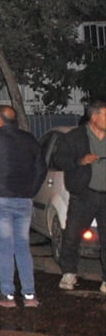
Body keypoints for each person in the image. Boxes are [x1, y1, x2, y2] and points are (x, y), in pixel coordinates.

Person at [0, 105, 46, 307]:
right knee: (22, 245)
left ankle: (8, 295)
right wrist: (31, 191)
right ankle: (30, 294)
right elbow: (41, 168)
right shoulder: (30, 140)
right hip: (23, 199)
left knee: (5, 246)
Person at [53, 99, 106, 294]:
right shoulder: (75, 137)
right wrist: (80, 160)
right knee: (72, 235)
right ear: (95, 117)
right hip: (84, 194)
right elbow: (58, 159)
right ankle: (68, 272)